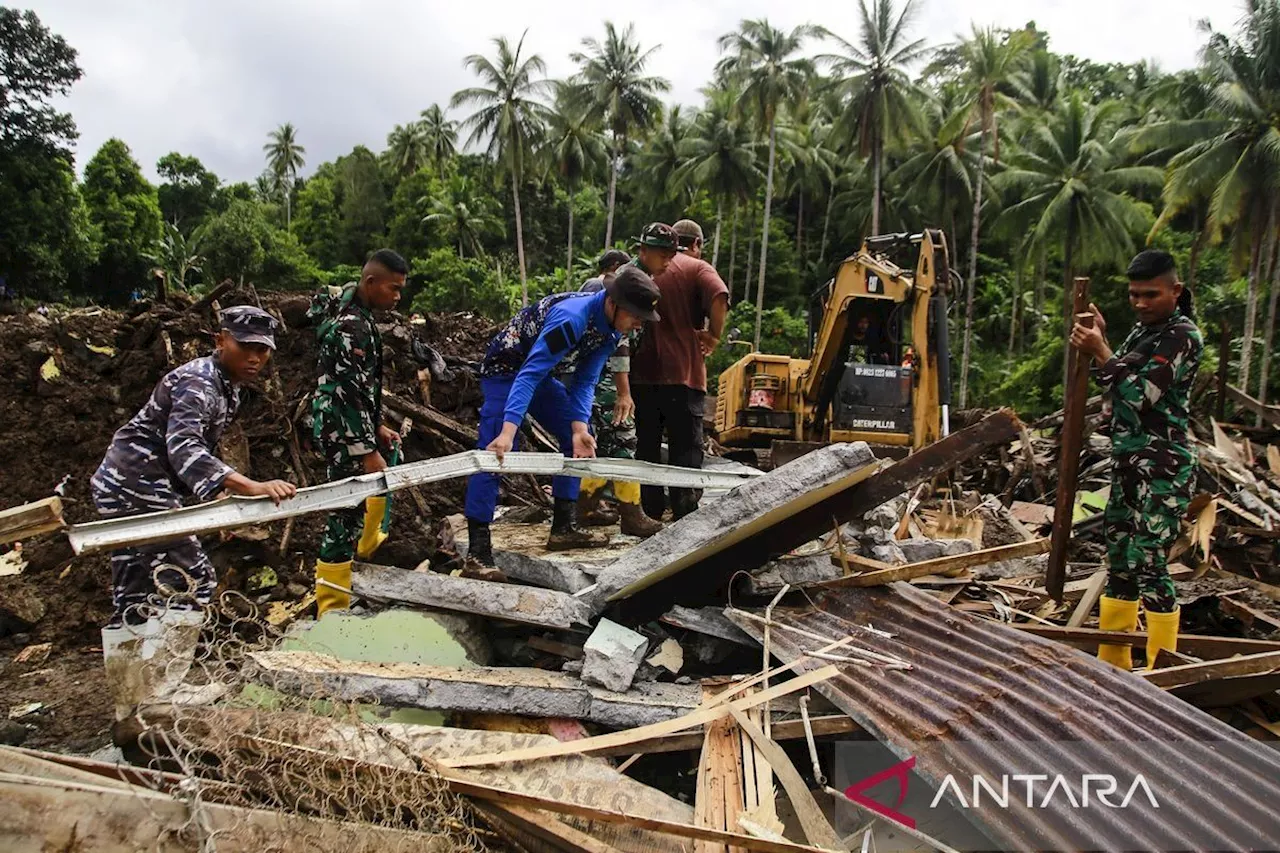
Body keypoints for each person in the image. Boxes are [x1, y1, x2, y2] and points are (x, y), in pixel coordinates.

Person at [92, 305, 297, 718]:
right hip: (136, 485)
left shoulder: (228, 385)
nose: (256, 358)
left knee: (134, 589)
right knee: (191, 578)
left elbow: (188, 458)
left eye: (264, 350)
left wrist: (212, 506)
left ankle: (131, 702)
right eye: (246, 347)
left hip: (133, 484)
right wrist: (248, 485)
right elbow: (184, 448)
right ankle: (164, 690)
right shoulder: (199, 383)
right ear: (221, 340)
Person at [465, 265, 662, 563]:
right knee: (498, 451)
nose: (638, 324)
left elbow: (585, 381)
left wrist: (579, 427)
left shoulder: (610, 331)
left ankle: (564, 527)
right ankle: (477, 552)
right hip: (506, 370)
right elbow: (528, 374)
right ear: (614, 303)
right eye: (635, 316)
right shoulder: (571, 319)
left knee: (579, 439)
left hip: (540, 375)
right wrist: (508, 431)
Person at [1070, 249, 1202, 671]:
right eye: (1134, 296)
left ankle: (1163, 669)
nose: (1141, 303)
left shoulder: (1182, 336)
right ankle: (1115, 665)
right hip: (1130, 462)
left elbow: (1143, 396)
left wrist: (1103, 352)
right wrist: (1104, 345)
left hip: (1164, 465)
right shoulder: (1141, 334)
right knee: (1121, 560)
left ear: (1175, 291)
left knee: (1148, 560)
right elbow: (1114, 392)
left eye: (1150, 294)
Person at [309, 249, 407, 617]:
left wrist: (377, 426)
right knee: (344, 514)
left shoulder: (360, 316)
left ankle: (346, 582)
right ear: (371, 283)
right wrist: (366, 449)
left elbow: (361, 388)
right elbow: (347, 394)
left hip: (349, 428)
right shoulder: (351, 326)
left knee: (351, 511)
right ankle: (331, 609)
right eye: (393, 289)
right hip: (341, 434)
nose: (397, 297)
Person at [631, 219, 729, 521]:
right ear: (697, 243)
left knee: (646, 446)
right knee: (685, 449)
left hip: (642, 375)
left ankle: (649, 512)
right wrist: (713, 335)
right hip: (684, 375)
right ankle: (685, 514)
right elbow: (719, 296)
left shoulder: (646, 265)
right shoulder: (698, 268)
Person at [577, 250, 664, 538]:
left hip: (593, 379)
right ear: (615, 270)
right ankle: (630, 513)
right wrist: (624, 392)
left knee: (600, 441)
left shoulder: (595, 289)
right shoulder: (604, 291)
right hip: (602, 382)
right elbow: (619, 346)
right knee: (622, 435)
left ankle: (587, 506)